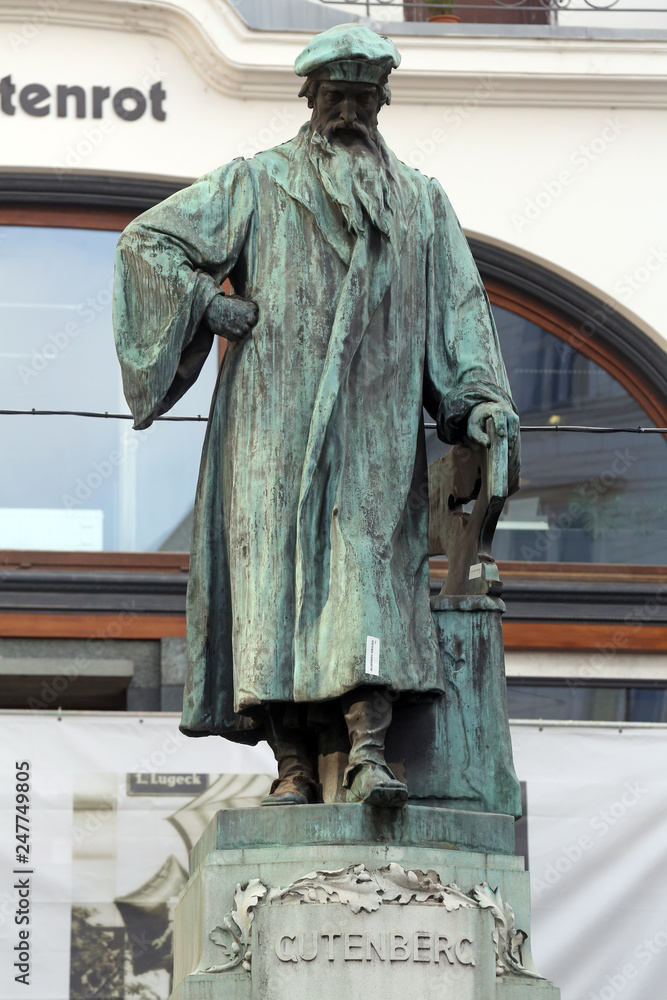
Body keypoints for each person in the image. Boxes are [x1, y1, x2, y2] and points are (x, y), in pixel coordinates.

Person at [113, 23, 519, 809]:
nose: (348, 110)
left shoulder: (422, 203)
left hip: (374, 434)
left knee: (368, 577)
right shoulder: (257, 183)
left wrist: (475, 399)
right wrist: (206, 301)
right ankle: (292, 764)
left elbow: (459, 316)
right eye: (335, 95)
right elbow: (146, 245)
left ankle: (370, 753)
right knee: (273, 591)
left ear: (383, 102)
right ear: (309, 98)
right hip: (271, 429)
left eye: (363, 97)